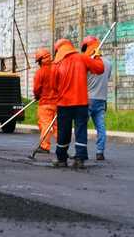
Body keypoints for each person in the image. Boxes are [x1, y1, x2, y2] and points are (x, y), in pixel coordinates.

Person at [52, 39, 104, 169]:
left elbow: (53, 86)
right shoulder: (82, 58)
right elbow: (100, 68)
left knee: (63, 131)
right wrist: (96, 55)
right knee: (81, 130)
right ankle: (80, 159)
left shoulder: (57, 64)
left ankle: (61, 159)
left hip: (64, 104)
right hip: (81, 102)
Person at [81, 36, 113, 160]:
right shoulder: (108, 63)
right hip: (102, 99)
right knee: (101, 126)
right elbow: (107, 78)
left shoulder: (87, 61)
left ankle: (81, 151)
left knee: (82, 125)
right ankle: (100, 151)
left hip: (88, 99)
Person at [33, 47, 57, 154]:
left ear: (40, 60)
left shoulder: (40, 72)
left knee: (45, 125)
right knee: (57, 126)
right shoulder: (57, 69)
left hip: (45, 103)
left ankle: (44, 146)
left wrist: (37, 96)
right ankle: (62, 145)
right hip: (58, 103)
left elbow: (36, 89)